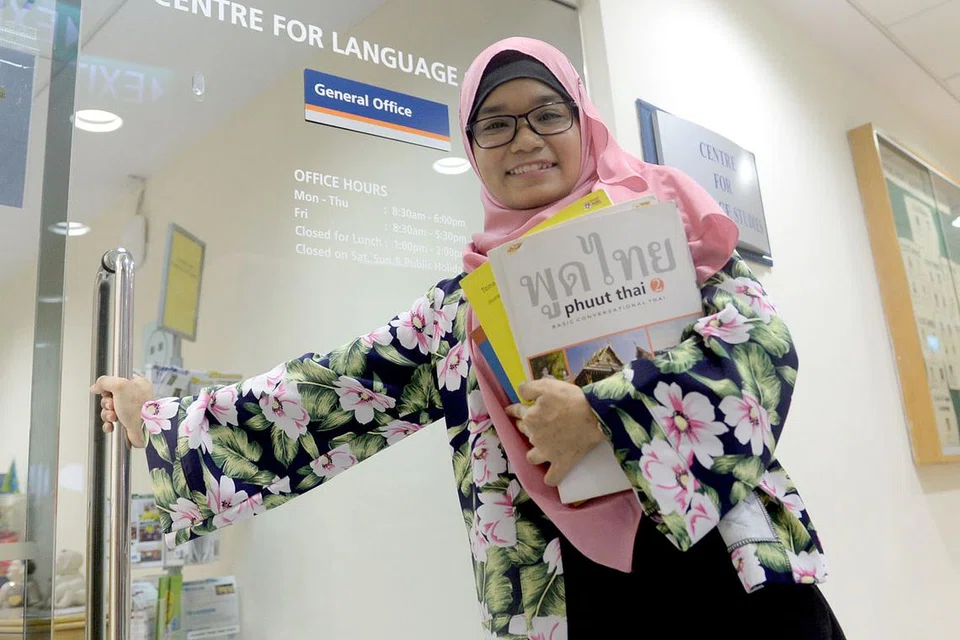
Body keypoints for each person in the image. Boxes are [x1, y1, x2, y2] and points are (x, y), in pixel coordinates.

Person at [92, 37, 845, 639]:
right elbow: (328, 395)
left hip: (739, 575)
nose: (527, 139)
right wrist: (157, 419)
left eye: (548, 113)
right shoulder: (465, 311)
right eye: (496, 122)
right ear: (473, 146)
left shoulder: (670, 229)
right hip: (572, 598)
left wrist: (602, 415)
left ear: (582, 121)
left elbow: (759, 349)